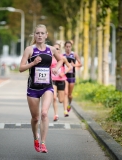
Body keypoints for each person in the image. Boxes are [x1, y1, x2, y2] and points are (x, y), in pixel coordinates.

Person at [19, 24, 63, 153]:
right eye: (37, 33)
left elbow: (61, 60)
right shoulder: (29, 49)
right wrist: (33, 63)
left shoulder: (51, 50)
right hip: (33, 88)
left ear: (46, 35)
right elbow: (21, 68)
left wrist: (56, 68)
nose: (39, 35)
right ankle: (35, 138)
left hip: (47, 87)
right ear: (34, 35)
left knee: (44, 113)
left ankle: (43, 143)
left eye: (42, 33)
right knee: (35, 118)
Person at [51, 43, 72, 121]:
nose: (56, 50)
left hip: (61, 79)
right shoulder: (50, 58)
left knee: (61, 100)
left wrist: (64, 72)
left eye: (57, 49)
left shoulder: (63, 58)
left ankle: (65, 107)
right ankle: (56, 114)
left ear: (60, 50)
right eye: (54, 48)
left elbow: (70, 67)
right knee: (53, 98)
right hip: (52, 79)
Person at [63, 41, 82, 112]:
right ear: (64, 47)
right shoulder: (62, 55)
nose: (68, 48)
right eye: (66, 47)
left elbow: (80, 64)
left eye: (69, 47)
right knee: (66, 93)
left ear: (71, 47)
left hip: (72, 76)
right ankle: (65, 109)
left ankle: (69, 104)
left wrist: (74, 65)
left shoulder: (74, 54)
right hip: (64, 76)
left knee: (70, 95)